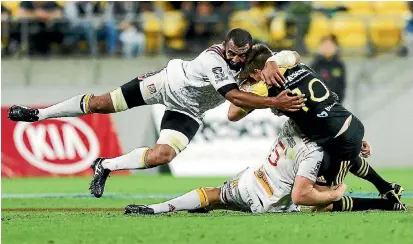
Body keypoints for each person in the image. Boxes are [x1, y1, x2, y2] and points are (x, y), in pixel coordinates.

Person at [7, 28, 305, 198]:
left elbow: (293, 55)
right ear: (225, 47)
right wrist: (274, 103)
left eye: (241, 55)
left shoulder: (257, 63)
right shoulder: (214, 59)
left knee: (163, 156)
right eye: (232, 52)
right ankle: (39, 115)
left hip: (190, 109)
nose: (235, 58)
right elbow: (231, 96)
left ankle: (105, 165)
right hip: (163, 85)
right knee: (100, 103)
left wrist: (275, 62)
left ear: (250, 52)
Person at [231, 44, 404, 205]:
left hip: (339, 137)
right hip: (342, 126)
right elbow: (294, 55)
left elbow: (233, 113)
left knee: (322, 202)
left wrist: (247, 87)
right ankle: (387, 188)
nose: (252, 81)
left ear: (257, 72)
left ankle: (387, 204)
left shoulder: (266, 84)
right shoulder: (300, 66)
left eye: (251, 77)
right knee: (343, 157)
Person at [124, 119, 405, 215]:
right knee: (322, 198)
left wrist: (355, 142)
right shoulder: (315, 153)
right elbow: (301, 195)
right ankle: (386, 203)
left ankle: (157, 208)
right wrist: (332, 195)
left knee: (214, 195)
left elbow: (328, 130)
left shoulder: (291, 125)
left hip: (251, 182)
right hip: (273, 204)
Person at [311, 35, 347, 103]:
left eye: (330, 45)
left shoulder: (339, 65)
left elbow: (342, 86)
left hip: (335, 104)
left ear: (335, 47)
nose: (327, 48)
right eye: (325, 45)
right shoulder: (315, 64)